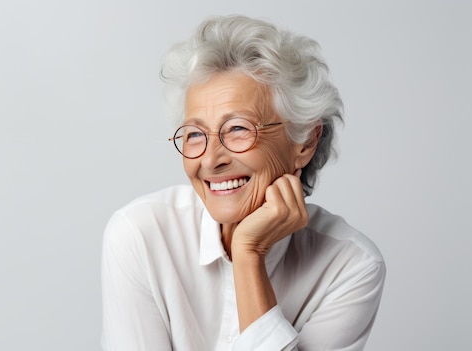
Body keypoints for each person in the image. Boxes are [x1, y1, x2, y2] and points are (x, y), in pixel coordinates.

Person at [101, 15, 385, 351]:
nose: (210, 160)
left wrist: (249, 255)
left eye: (237, 129)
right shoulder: (140, 234)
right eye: (194, 134)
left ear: (306, 141)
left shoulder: (350, 266)